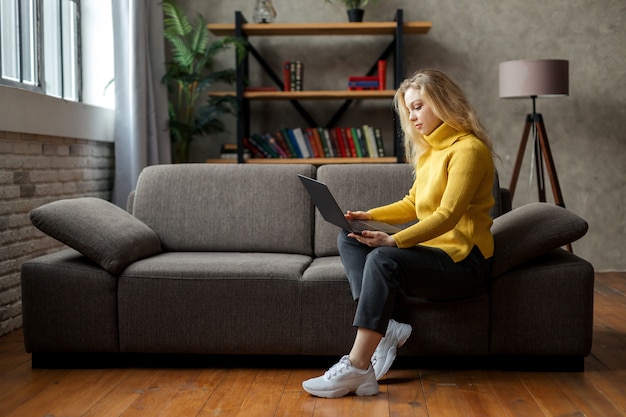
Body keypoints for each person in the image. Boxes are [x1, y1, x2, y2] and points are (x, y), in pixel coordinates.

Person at [302, 69, 496, 398]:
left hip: (463, 262)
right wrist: (369, 217)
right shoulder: (431, 151)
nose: (412, 116)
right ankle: (386, 324)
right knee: (350, 238)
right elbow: (412, 203)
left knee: (382, 259)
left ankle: (358, 365)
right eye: (408, 110)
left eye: (418, 106)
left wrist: (394, 240)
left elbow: (447, 216)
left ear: (443, 103)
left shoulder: (468, 150)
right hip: (435, 254)